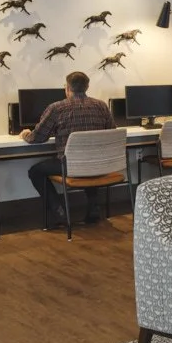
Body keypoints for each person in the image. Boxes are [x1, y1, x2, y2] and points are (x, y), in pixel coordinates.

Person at [23, 71, 115, 227]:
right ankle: (93, 207)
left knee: (35, 171)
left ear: (67, 88)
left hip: (69, 165)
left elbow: (38, 138)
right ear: (87, 87)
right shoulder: (102, 106)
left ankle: (59, 211)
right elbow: (112, 133)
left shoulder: (57, 108)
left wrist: (25, 134)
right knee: (88, 164)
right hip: (97, 164)